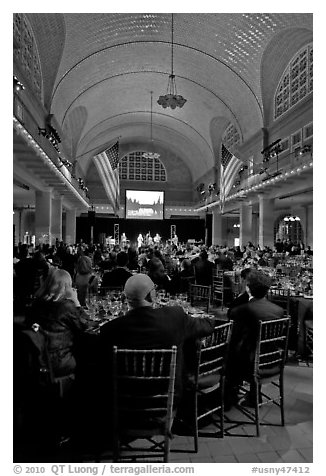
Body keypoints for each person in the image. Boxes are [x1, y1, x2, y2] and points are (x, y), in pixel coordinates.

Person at [100, 273, 215, 400]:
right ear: (151, 295)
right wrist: (209, 319)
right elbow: (207, 326)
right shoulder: (175, 316)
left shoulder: (109, 329)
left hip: (126, 401)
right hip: (168, 399)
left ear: (126, 298)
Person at [225, 269, 284, 409]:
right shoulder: (279, 310)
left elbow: (233, 339)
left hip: (252, 364)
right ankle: (253, 395)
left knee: (228, 354)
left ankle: (227, 398)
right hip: (274, 360)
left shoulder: (241, 310)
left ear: (248, 288)